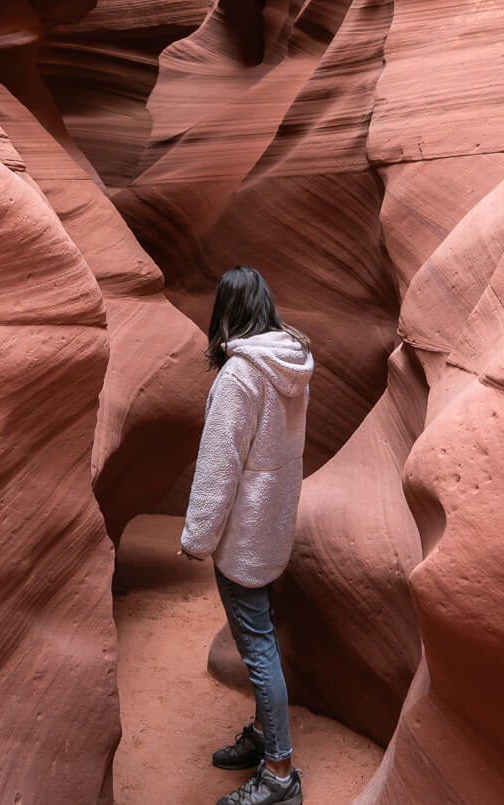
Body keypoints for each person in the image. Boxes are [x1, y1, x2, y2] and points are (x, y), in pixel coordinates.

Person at [179, 265, 314, 805]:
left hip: (244, 533)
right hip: (273, 524)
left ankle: (279, 775)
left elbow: (219, 466)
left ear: (227, 311)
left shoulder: (240, 375)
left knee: (256, 646)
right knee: (263, 634)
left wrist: (197, 536)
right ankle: (264, 737)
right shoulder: (291, 362)